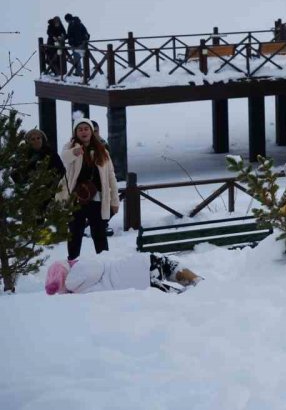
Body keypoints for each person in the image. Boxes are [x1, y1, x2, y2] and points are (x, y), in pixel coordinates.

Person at [56, 119, 117, 261]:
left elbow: (111, 176)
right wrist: (74, 152)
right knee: (75, 234)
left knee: (99, 234)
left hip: (97, 199)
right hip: (76, 200)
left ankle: (104, 263)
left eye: (86, 129)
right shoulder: (70, 146)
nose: (83, 132)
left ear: (91, 131)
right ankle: (72, 262)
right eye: (80, 129)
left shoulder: (102, 151)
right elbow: (64, 157)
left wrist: (114, 201)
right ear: (76, 132)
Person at [45, 254, 201, 295]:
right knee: (169, 266)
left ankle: (198, 287)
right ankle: (200, 284)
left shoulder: (78, 287)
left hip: (138, 278)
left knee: (176, 295)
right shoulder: (79, 272)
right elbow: (97, 267)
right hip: (139, 268)